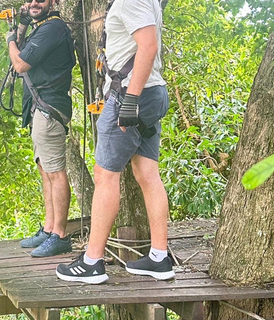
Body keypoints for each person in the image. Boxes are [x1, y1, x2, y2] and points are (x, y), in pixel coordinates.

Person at [56, 0, 175, 283]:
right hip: (151, 92)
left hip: (133, 94)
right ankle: (159, 257)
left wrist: (130, 100)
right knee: (147, 173)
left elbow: (148, 46)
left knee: (105, 176)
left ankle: (92, 261)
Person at [6, 0, 75, 257]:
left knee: (55, 171)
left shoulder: (53, 28)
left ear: (54, 3)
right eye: (31, 0)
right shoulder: (41, 28)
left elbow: (21, 63)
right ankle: (48, 229)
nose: (35, 2)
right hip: (40, 108)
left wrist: (10, 40)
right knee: (45, 169)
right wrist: (21, 27)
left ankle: (60, 235)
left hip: (49, 108)